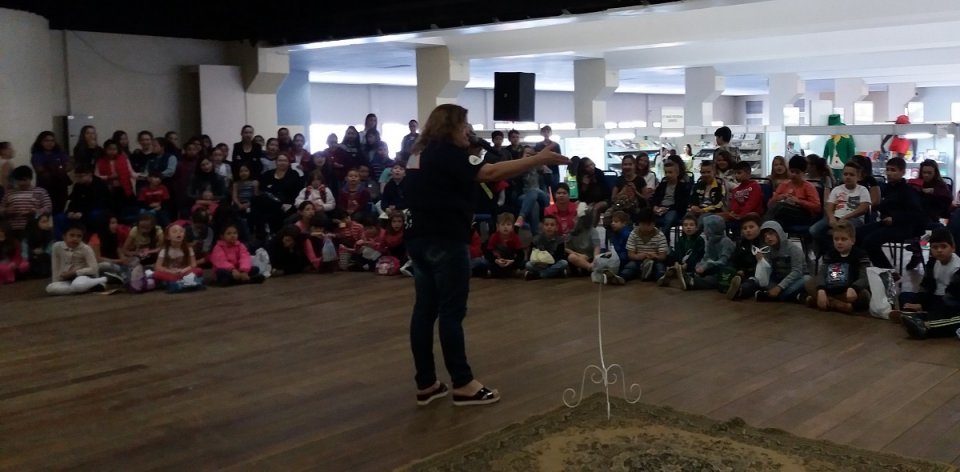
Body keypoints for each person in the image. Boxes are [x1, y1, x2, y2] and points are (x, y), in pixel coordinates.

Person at [403, 103, 567, 407]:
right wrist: (537, 160)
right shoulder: (447, 153)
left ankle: (426, 383)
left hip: (418, 239)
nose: (468, 131)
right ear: (451, 126)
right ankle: (463, 383)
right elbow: (488, 172)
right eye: (464, 125)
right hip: (446, 239)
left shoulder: (418, 154)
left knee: (424, 310)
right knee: (452, 312)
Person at [858, 157, 925, 269]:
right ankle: (862, 269)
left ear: (902, 172)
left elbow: (916, 214)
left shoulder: (908, 190)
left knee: (870, 241)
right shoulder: (886, 188)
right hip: (886, 224)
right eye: (887, 170)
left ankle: (888, 272)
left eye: (893, 170)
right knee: (857, 233)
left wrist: (894, 218)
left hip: (903, 227)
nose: (889, 173)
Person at [898, 229, 960, 338]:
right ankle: (918, 316)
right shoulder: (932, 264)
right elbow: (925, 286)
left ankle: (925, 325)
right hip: (934, 298)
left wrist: (923, 305)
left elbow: (952, 298)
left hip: (952, 303)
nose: (939, 250)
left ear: (953, 248)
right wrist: (919, 301)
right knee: (904, 296)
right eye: (935, 247)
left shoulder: (957, 268)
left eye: (943, 246)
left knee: (952, 318)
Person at [803, 220, 871, 313]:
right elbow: (822, 273)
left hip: (848, 291)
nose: (839, 242)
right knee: (809, 283)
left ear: (853, 240)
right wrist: (821, 289)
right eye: (836, 239)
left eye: (844, 239)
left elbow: (864, 277)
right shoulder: (830, 254)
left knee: (865, 296)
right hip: (830, 289)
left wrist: (854, 288)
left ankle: (821, 301)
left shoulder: (861, 255)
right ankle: (837, 304)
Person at [737, 221, 809, 302]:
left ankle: (773, 296)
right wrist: (761, 262)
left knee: (806, 279)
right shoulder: (769, 250)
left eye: (771, 233)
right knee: (760, 280)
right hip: (779, 279)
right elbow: (767, 270)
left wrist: (779, 287)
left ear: (779, 233)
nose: (768, 237)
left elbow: (797, 272)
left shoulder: (793, 249)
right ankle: (741, 290)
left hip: (796, 279)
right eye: (765, 236)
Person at [809, 161, 870, 254]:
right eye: (845, 174)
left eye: (851, 174)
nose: (848, 177)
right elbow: (829, 206)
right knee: (814, 230)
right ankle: (832, 251)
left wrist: (845, 218)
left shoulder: (862, 190)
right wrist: (831, 218)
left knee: (842, 232)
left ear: (858, 176)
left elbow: (863, 208)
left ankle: (841, 252)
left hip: (854, 219)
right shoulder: (837, 189)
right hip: (836, 217)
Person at [45, 222, 107, 295]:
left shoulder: (86, 249)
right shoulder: (57, 247)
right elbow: (55, 266)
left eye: (79, 236)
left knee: (78, 284)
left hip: (83, 277)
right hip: (67, 280)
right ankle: (86, 288)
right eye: (72, 235)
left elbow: (94, 269)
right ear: (64, 236)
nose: (75, 238)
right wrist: (56, 282)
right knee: (50, 288)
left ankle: (102, 280)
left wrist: (74, 273)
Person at [609, 207, 668, 284]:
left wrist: (655, 256)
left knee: (659, 267)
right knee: (630, 266)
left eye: (648, 224)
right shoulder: (634, 234)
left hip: (654, 261)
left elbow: (663, 256)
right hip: (638, 261)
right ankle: (621, 277)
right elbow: (630, 254)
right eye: (643, 224)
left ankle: (661, 279)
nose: (645, 227)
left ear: (653, 224)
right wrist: (639, 256)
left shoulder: (660, 235)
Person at [678, 214, 735, 291]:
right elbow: (707, 256)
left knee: (715, 279)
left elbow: (723, 261)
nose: (704, 230)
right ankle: (689, 276)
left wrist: (706, 265)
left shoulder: (726, 242)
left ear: (712, 229)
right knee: (701, 270)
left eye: (706, 228)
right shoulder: (711, 241)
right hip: (713, 266)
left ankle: (693, 282)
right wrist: (700, 265)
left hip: (725, 269)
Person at [765, 156, 821, 227]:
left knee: (779, 207)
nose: (794, 175)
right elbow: (769, 205)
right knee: (777, 216)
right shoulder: (784, 184)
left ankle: (764, 228)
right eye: (792, 171)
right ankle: (769, 230)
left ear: (803, 173)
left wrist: (799, 201)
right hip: (785, 213)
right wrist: (779, 197)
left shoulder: (808, 186)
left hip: (803, 213)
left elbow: (817, 208)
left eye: (797, 172)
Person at [1, 166, 52, 239]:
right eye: (19, 180)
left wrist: (35, 212)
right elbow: (1, 209)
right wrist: (7, 211)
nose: (21, 183)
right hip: (13, 229)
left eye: (24, 180)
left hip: (35, 228)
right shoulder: (9, 193)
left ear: (30, 178)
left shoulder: (40, 191)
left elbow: (48, 208)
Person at [657, 213, 705, 289]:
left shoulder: (699, 240)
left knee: (697, 264)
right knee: (668, 256)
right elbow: (677, 252)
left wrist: (686, 264)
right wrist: (676, 262)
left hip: (692, 263)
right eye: (685, 225)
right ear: (682, 228)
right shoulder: (681, 239)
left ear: (696, 228)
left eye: (691, 225)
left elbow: (696, 255)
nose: (688, 227)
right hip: (680, 263)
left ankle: (678, 273)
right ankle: (673, 271)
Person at [153, 223, 205, 292]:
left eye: (181, 231)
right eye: (174, 232)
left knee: (199, 270)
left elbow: (193, 264)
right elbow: (158, 267)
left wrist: (184, 270)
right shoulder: (164, 250)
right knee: (156, 274)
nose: (178, 233)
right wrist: (171, 271)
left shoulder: (188, 248)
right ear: (168, 237)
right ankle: (188, 282)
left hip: (184, 272)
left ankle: (179, 283)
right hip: (171, 273)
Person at [30, 131, 71, 214]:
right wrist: (58, 167)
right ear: (40, 142)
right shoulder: (37, 155)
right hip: (45, 187)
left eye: (52, 140)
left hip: (61, 187)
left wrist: (56, 168)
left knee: (59, 211)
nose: (50, 143)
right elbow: (40, 170)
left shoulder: (59, 153)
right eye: (46, 141)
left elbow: (69, 166)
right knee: (46, 212)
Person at [725, 213, 764, 300]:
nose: (748, 230)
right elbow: (733, 259)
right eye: (745, 228)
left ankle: (739, 291)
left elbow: (762, 267)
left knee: (751, 283)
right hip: (739, 274)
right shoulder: (741, 243)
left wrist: (744, 272)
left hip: (756, 275)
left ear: (760, 227)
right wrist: (731, 270)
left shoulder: (764, 245)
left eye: (751, 227)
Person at [651, 161, 690, 238]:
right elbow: (655, 198)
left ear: (677, 173)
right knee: (646, 216)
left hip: (673, 209)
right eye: (666, 172)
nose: (668, 175)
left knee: (669, 218)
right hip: (659, 208)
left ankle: (660, 239)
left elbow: (682, 204)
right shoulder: (662, 185)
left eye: (670, 172)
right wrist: (654, 206)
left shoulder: (682, 187)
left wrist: (667, 208)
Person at [522, 214, 567, 280]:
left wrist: (548, 264)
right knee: (528, 264)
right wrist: (539, 263)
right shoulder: (536, 239)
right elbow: (530, 256)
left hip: (552, 264)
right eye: (546, 225)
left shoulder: (560, 240)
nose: (549, 227)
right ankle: (554, 274)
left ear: (556, 227)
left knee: (564, 263)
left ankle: (539, 275)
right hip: (539, 265)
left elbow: (560, 256)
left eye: (552, 225)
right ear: (542, 227)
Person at [484, 212, 524, 278]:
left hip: (510, 261)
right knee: (484, 263)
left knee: (523, 263)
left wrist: (512, 261)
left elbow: (520, 255)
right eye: (503, 224)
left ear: (512, 226)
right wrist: (496, 260)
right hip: (497, 261)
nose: (505, 227)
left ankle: (499, 273)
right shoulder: (494, 236)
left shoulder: (515, 237)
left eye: (508, 224)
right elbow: (488, 253)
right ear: (498, 226)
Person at [725, 161, 763, 228]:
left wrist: (742, 215)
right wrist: (734, 213)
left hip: (753, 215)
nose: (736, 175)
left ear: (748, 173)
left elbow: (751, 204)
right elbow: (734, 205)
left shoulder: (755, 186)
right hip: (739, 216)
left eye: (739, 173)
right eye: (735, 173)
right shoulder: (736, 190)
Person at [0, 220, 28, 285]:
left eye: (2, 231)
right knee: (2, 268)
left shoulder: (14, 242)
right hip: (1, 264)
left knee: (24, 265)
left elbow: (18, 256)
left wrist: (14, 263)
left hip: (11, 263)